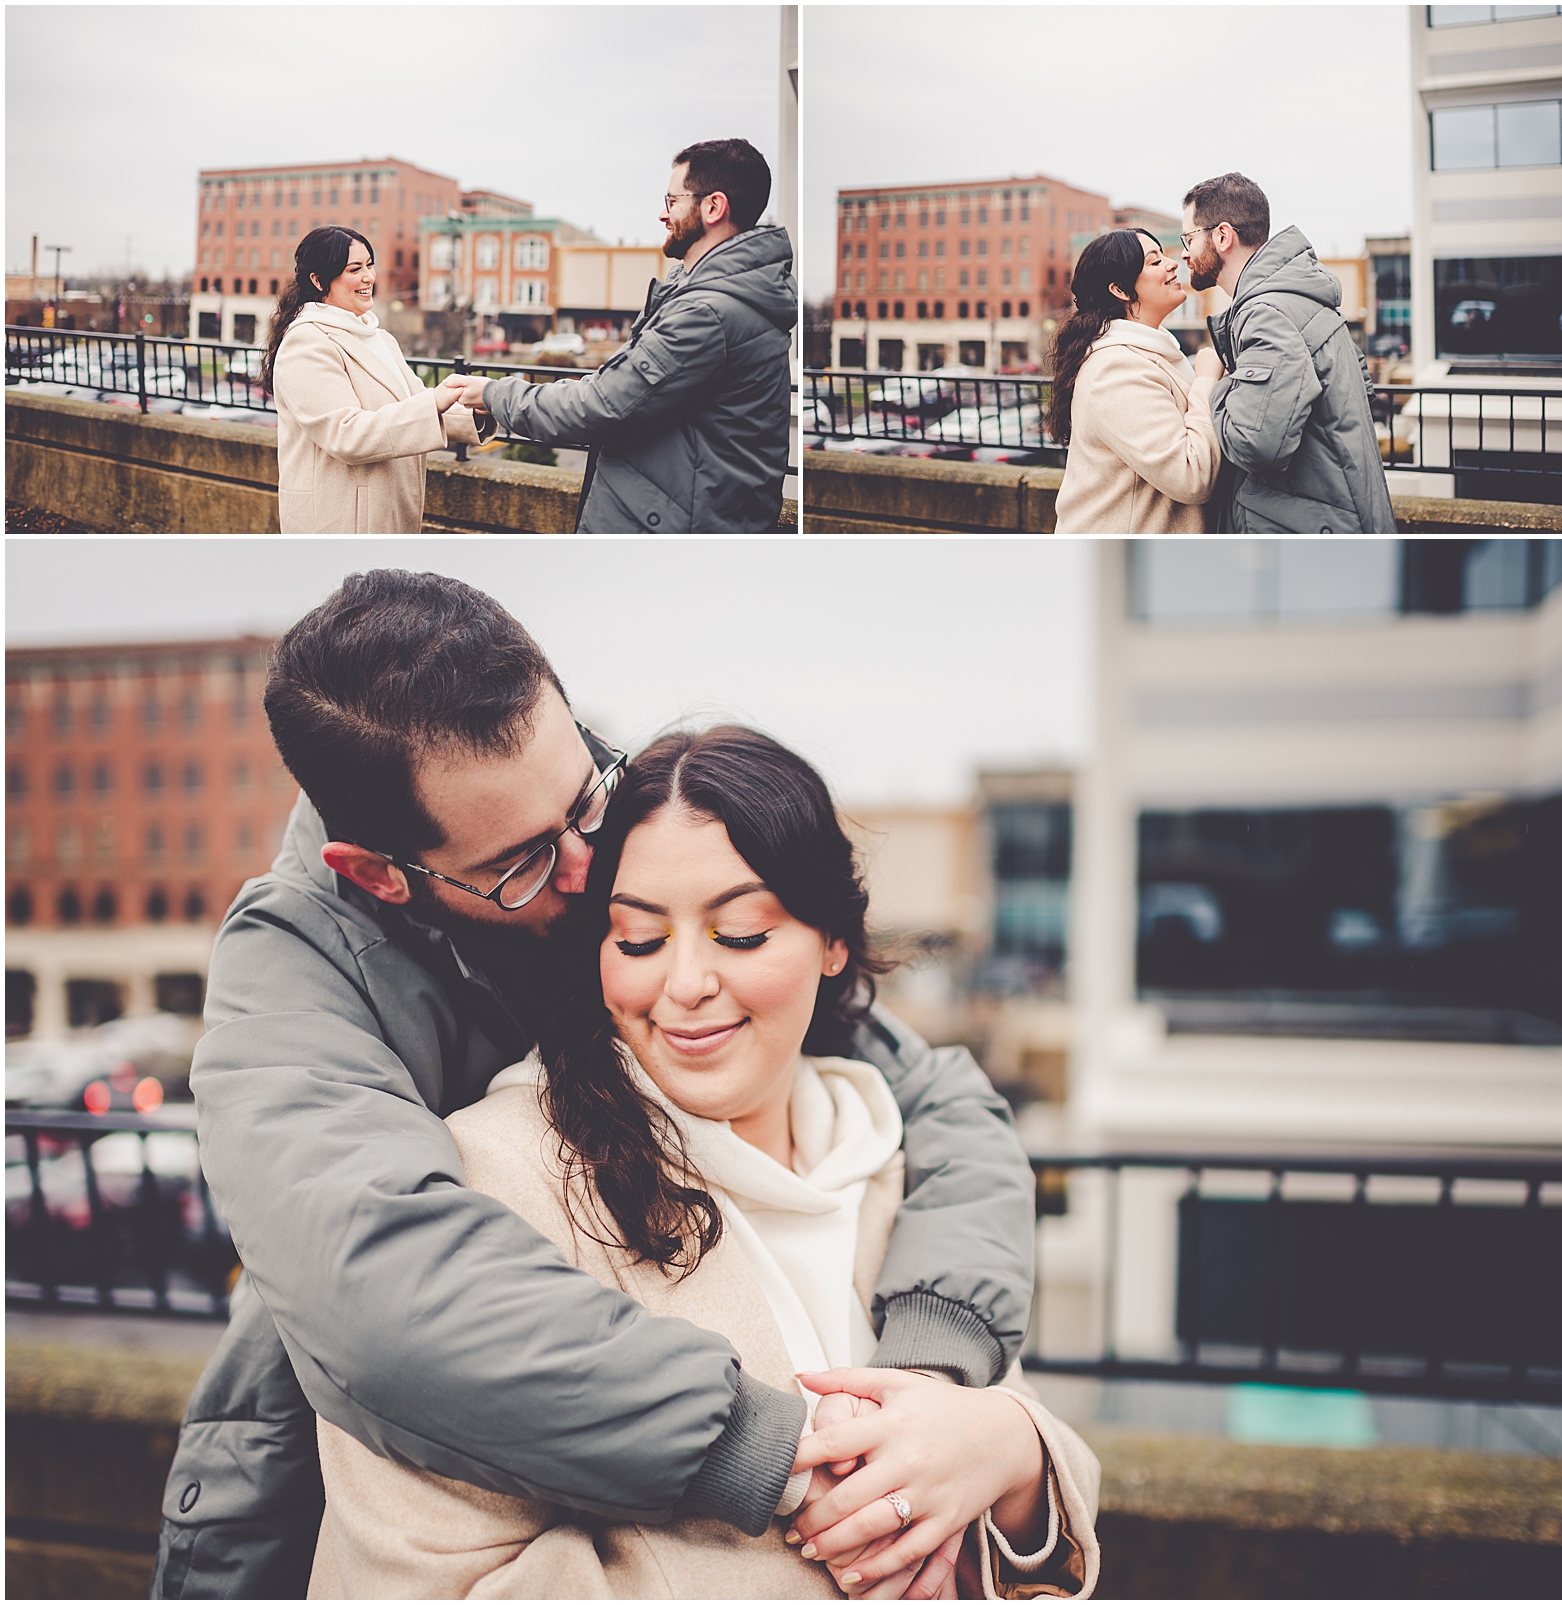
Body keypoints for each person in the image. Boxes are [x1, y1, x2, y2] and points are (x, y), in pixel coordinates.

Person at [152, 570, 1040, 1598]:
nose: (587, 871)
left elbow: (940, 1103)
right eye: (525, 862)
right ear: (378, 873)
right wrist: (794, 1453)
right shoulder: (285, 978)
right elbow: (388, 1301)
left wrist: (922, 1393)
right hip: (342, 1508)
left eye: (587, 797)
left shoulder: (600, 821)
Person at [307, 725, 1101, 1600]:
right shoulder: (494, 1172)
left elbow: (1021, 1547)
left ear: (833, 942)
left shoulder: (891, 1155)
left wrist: (1011, 1455)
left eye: (743, 934)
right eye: (640, 941)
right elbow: (418, 1572)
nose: (685, 982)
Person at [453, 139, 795, 533]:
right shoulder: (723, 298)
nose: (662, 215)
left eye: (672, 201)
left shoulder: (707, 314)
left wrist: (494, 394)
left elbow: (600, 406)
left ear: (713, 207)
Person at [1180, 172, 1397, 533]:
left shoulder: (1266, 314)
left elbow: (1255, 444)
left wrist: (1210, 383)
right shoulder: (1299, 301)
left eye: (1188, 238)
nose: (1185, 253)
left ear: (1222, 236)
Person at [263, 227, 492, 534]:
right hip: (338, 522)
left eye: (369, 265)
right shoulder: (307, 341)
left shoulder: (379, 337)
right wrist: (434, 400)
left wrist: (483, 409)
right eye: (353, 269)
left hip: (389, 512)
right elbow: (346, 435)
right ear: (318, 281)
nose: (368, 277)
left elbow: (417, 405)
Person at [1050, 229, 1223, 533]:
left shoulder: (1152, 353)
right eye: (1154, 262)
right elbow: (1190, 476)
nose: (1172, 264)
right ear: (1120, 290)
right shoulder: (1116, 369)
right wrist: (1206, 381)